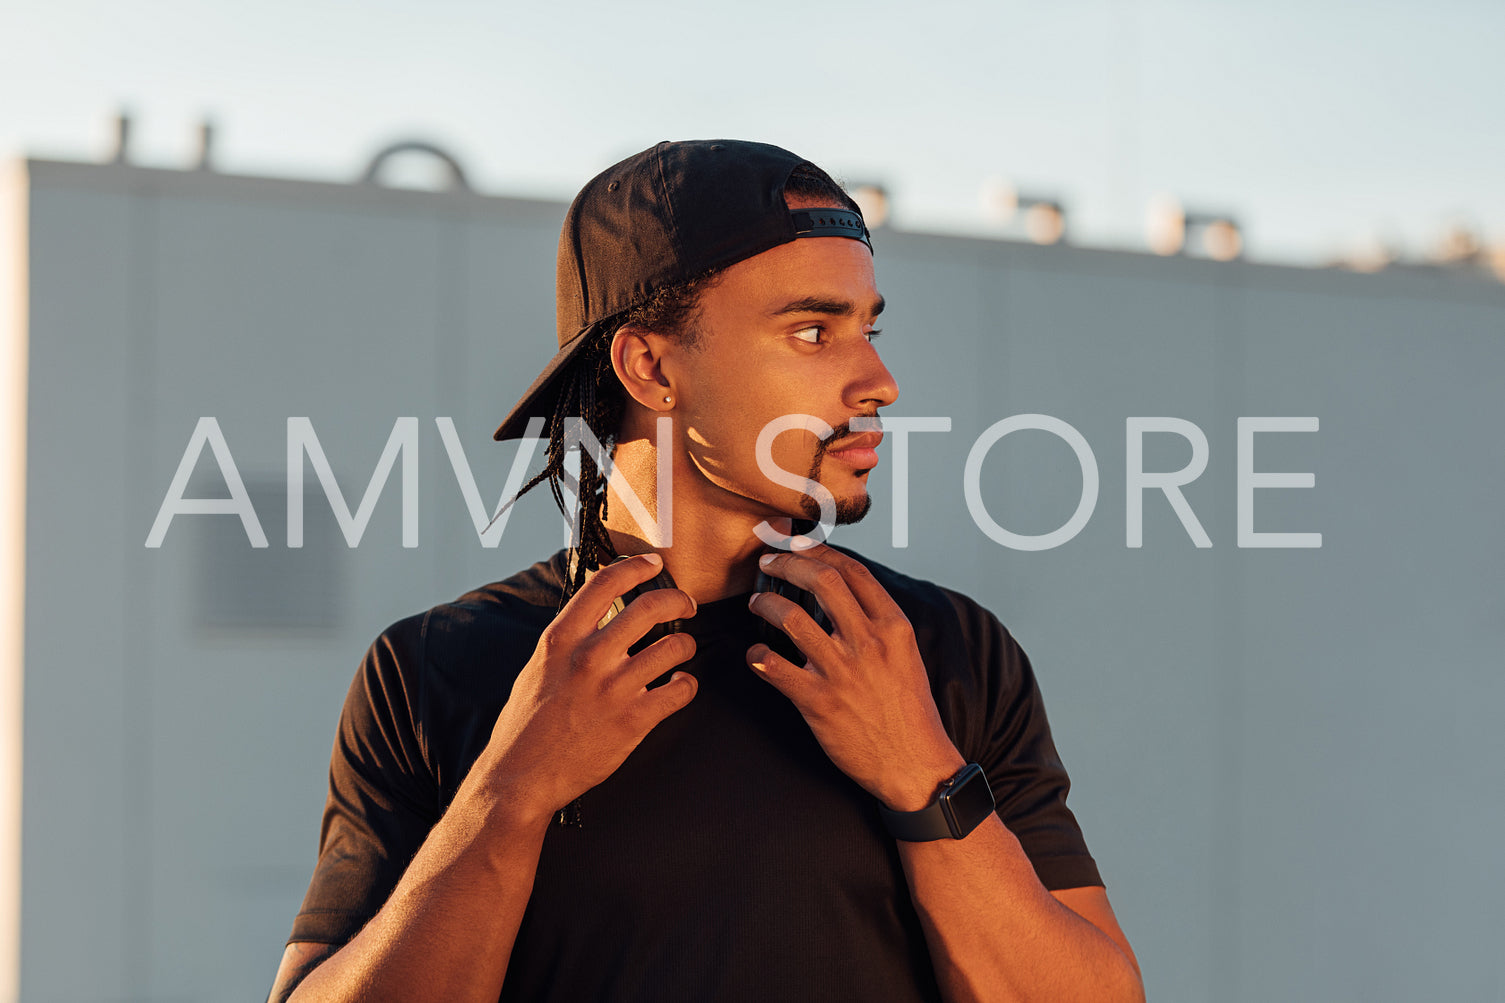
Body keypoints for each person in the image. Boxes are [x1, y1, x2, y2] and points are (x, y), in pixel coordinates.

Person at [268, 139, 1144, 1003]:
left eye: (867, 328)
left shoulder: (940, 653)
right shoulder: (434, 671)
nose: (880, 380)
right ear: (651, 367)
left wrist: (923, 778)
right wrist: (509, 795)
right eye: (813, 330)